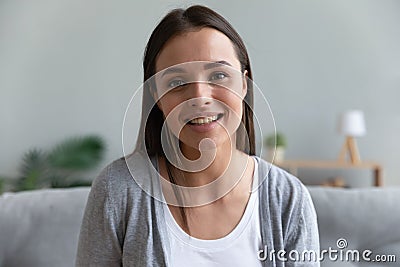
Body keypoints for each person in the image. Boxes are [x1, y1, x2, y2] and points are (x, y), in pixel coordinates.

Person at [76, 5, 319, 267]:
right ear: (157, 96)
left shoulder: (287, 198)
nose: (200, 98)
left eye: (218, 75)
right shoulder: (117, 190)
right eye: (176, 82)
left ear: (244, 85)